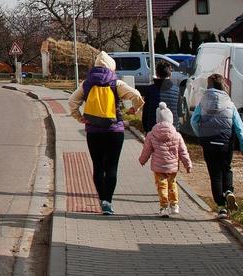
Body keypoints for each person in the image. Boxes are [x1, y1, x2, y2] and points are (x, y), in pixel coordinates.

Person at [68, 55, 144, 216]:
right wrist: (134, 109)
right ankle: (108, 202)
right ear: (112, 67)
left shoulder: (87, 83)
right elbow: (136, 96)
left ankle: (101, 199)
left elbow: (72, 101)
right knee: (111, 167)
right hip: (114, 131)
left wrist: (79, 117)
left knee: (97, 166)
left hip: (93, 131)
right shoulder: (116, 83)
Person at [190, 73, 243, 217]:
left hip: (208, 143)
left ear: (209, 86)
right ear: (223, 85)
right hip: (225, 142)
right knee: (226, 168)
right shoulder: (230, 104)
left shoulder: (203, 102)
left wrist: (200, 134)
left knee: (215, 173)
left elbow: (193, 121)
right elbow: (238, 126)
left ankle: (221, 206)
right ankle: (229, 191)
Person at [138, 102, 193, 217]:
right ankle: (175, 205)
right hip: (172, 167)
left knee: (161, 185)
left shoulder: (151, 134)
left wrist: (142, 160)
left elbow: (146, 150)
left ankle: (164, 207)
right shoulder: (177, 135)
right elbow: (183, 151)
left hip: (158, 167)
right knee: (172, 184)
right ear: (171, 119)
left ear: (157, 119)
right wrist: (188, 165)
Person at [140, 60, 181, 135]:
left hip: (153, 129)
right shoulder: (177, 90)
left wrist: (146, 129)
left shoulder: (150, 89)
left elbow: (145, 112)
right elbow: (180, 112)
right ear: (170, 73)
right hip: (172, 130)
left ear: (156, 73)